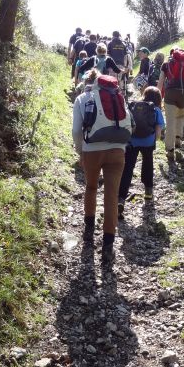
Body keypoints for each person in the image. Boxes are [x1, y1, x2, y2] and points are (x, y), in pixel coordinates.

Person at [71, 70, 129, 265]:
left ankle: (88, 232)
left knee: (91, 187)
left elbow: (76, 130)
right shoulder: (117, 96)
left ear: (88, 83)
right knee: (112, 196)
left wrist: (80, 152)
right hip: (117, 150)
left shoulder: (82, 98)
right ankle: (108, 247)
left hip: (92, 150)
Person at [118, 86, 165, 218]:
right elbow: (159, 131)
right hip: (148, 143)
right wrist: (153, 140)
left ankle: (121, 198)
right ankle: (148, 191)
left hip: (132, 142)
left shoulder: (133, 106)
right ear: (158, 98)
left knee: (128, 168)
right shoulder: (156, 110)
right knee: (148, 164)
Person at [157, 46, 184, 170]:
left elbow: (161, 82)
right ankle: (178, 139)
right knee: (180, 117)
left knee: (170, 121)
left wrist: (158, 96)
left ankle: (170, 150)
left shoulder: (166, 64)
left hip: (170, 94)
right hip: (183, 95)